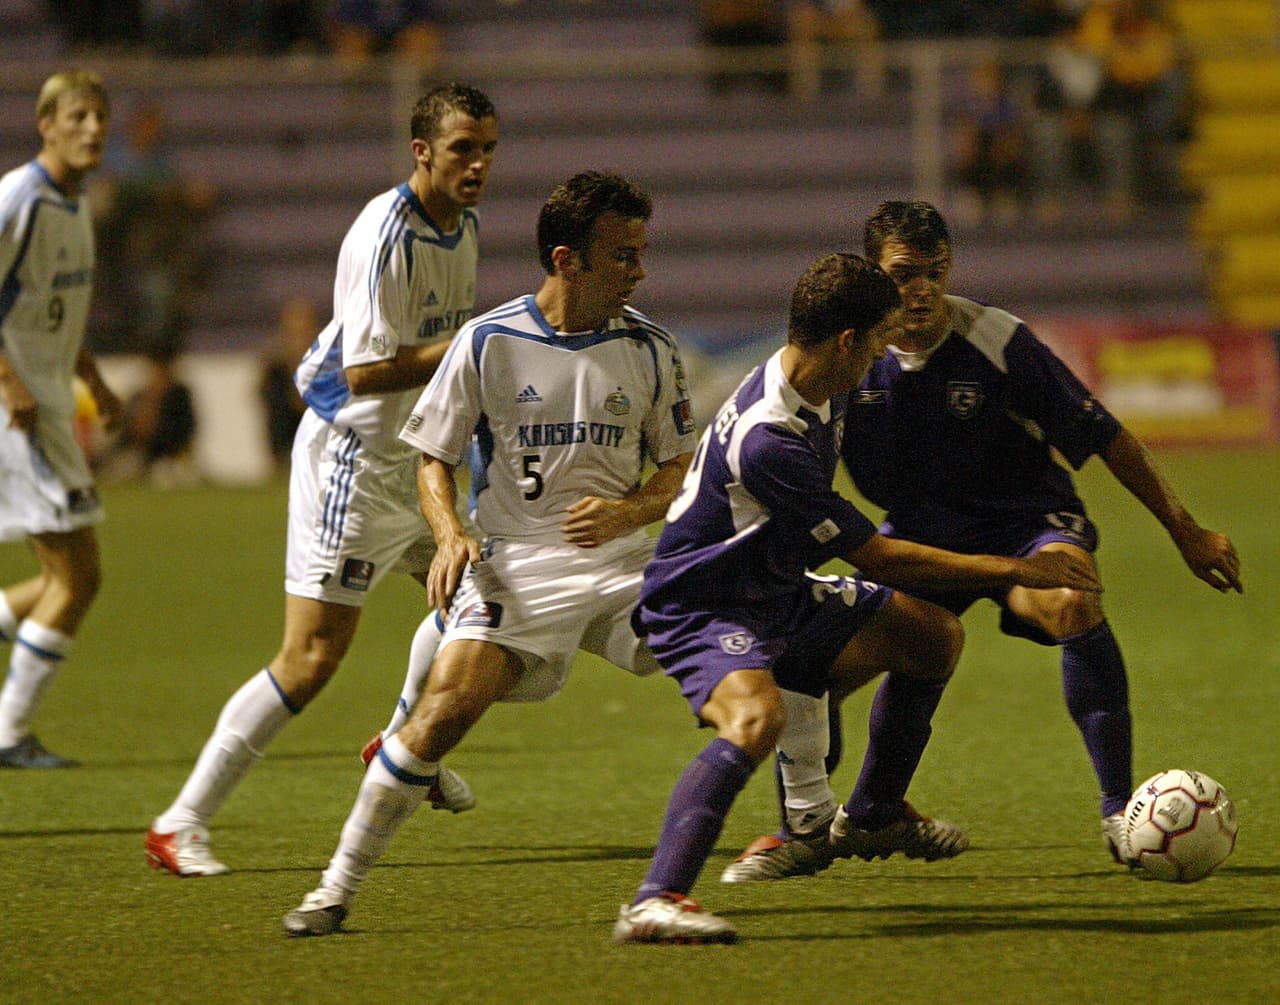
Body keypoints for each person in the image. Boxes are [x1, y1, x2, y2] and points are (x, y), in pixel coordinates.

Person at [724, 200, 1243, 885]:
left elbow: (1106, 436)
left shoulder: (997, 340)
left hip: (1026, 525)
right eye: (904, 275)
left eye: (935, 272)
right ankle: (839, 818)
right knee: (816, 665)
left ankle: (1120, 811)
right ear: (873, 276)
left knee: (1071, 602)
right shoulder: (851, 361)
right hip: (917, 538)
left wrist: (1186, 529)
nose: (922, 290)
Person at [611, 252, 1105, 944]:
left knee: (931, 634)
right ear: (847, 341)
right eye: (877, 339)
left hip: (777, 588)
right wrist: (1016, 570)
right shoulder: (769, 439)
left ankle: (873, 815)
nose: (884, 352)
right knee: (754, 719)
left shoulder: (817, 382)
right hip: (707, 604)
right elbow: (876, 555)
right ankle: (654, 901)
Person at [280, 170, 698, 937]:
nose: (640, 271)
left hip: (622, 566)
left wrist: (631, 510)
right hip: (519, 567)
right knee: (441, 715)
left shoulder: (652, 347)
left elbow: (678, 467)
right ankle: (332, 890)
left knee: (747, 652)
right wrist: (450, 534)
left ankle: (807, 818)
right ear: (566, 259)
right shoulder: (488, 341)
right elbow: (432, 458)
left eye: (642, 253)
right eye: (622, 255)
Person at [144, 82, 498, 875]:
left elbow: (443, 361)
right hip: (354, 460)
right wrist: (471, 346)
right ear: (422, 152)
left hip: (416, 459)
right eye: (462, 149)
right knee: (310, 657)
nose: (477, 164)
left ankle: (403, 745)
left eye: (487, 150)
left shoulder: (464, 226)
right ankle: (180, 821)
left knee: (483, 598)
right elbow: (365, 370)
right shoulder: (385, 233)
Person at [0, 70, 123, 768]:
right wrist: (10, 382)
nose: (93, 128)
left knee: (70, 577)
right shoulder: (20, 198)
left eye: (100, 116)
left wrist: (93, 381)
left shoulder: (75, 205)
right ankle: (6, 734)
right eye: (77, 116)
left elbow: (52, 311)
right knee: (75, 578)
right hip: (17, 410)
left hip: (46, 399)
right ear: (45, 124)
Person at [259, 295, 318, 474]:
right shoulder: (275, 359)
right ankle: (282, 460)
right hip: (286, 420)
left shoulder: (326, 353)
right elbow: (264, 392)